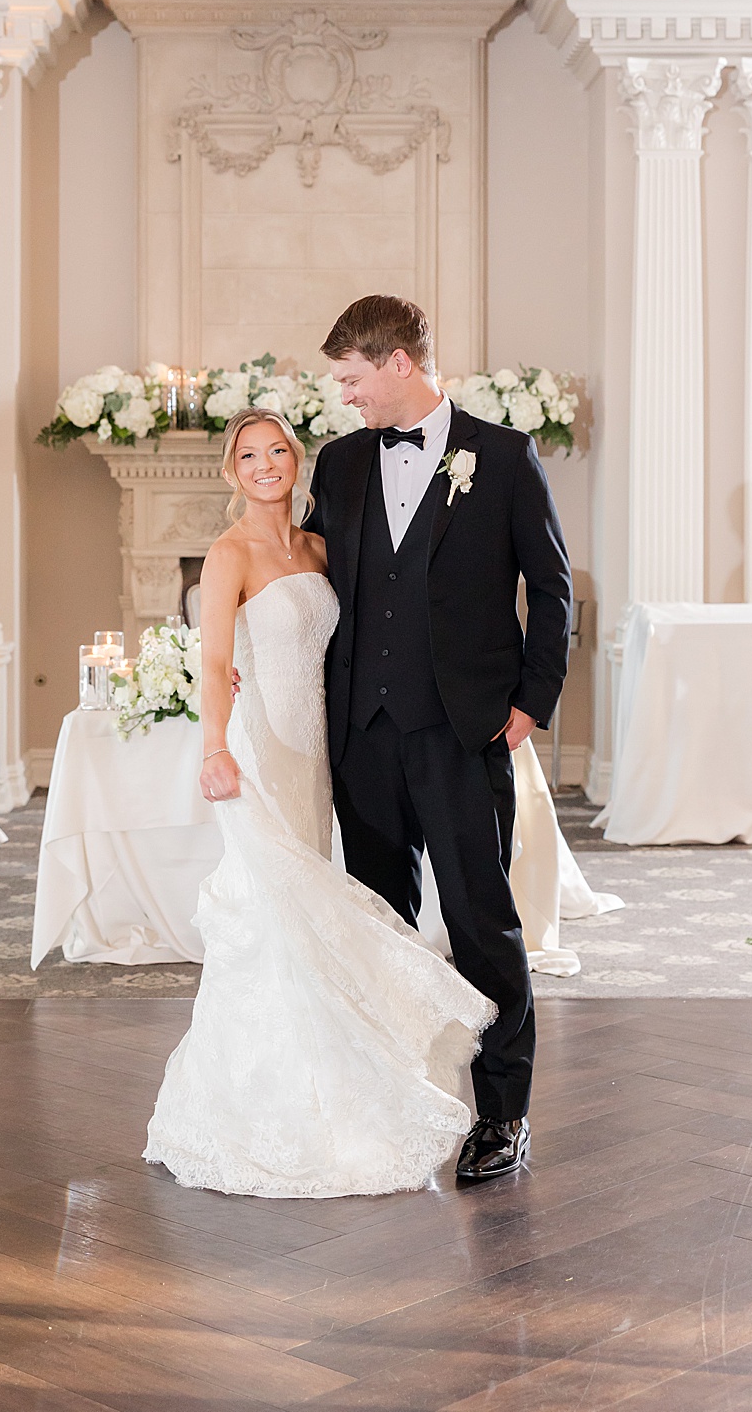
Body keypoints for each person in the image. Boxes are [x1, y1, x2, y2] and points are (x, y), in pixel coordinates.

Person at [144, 410, 496, 1197]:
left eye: (277, 451)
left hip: (322, 751)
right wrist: (215, 747)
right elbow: (214, 662)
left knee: (311, 904)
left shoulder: (319, 547)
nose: (265, 464)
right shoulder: (229, 553)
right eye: (249, 455)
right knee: (277, 910)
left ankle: (335, 1083)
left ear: (296, 462)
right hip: (262, 747)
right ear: (230, 471)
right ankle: (264, 1104)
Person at [304, 295, 574, 1184]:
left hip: (462, 731)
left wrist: (531, 703)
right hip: (363, 733)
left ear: (398, 364)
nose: (345, 397)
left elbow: (553, 588)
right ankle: (395, 1090)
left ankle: (504, 1113)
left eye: (352, 378)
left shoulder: (501, 457)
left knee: (480, 920)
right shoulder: (340, 465)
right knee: (377, 920)